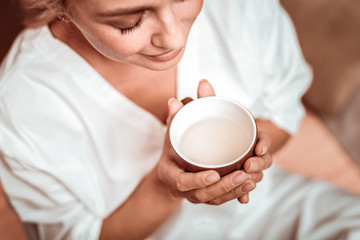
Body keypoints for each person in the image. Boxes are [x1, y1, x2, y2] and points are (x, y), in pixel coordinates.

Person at [0, 0, 359, 239]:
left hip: (276, 211)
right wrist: (167, 187)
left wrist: (249, 151)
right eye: (128, 23)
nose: (174, 38)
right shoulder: (22, 108)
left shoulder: (239, 7)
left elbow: (283, 107)